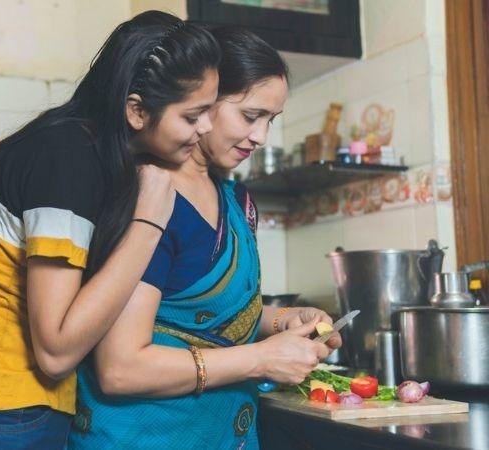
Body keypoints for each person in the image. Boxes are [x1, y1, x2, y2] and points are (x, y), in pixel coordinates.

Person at [0, 11, 221, 450]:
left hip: (18, 414)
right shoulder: (68, 157)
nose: (206, 128)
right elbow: (56, 351)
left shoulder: (95, 158)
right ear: (136, 111)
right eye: (193, 116)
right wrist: (150, 222)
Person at [68, 26, 341, 450]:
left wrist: (283, 320)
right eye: (250, 116)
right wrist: (262, 358)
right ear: (204, 100)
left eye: (271, 120)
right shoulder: (150, 201)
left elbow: (201, 314)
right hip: (142, 437)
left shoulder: (236, 201)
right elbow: (120, 368)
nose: (260, 136)